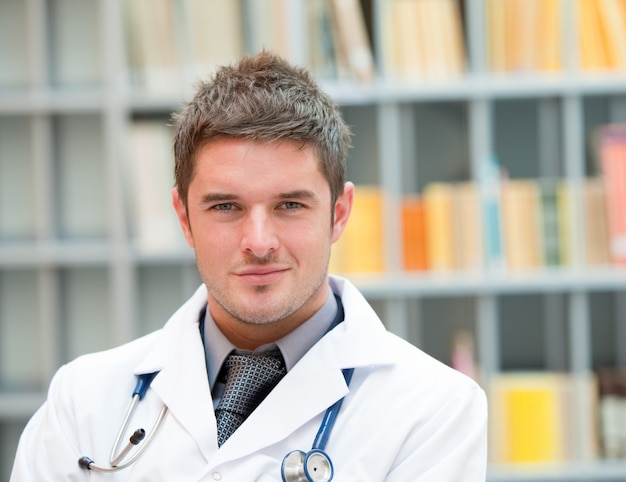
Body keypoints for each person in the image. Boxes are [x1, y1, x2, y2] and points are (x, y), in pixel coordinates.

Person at [11, 51, 487, 481]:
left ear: (338, 213)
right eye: (225, 207)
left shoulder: (434, 412)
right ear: (184, 217)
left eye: (290, 206)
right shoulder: (83, 401)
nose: (258, 243)